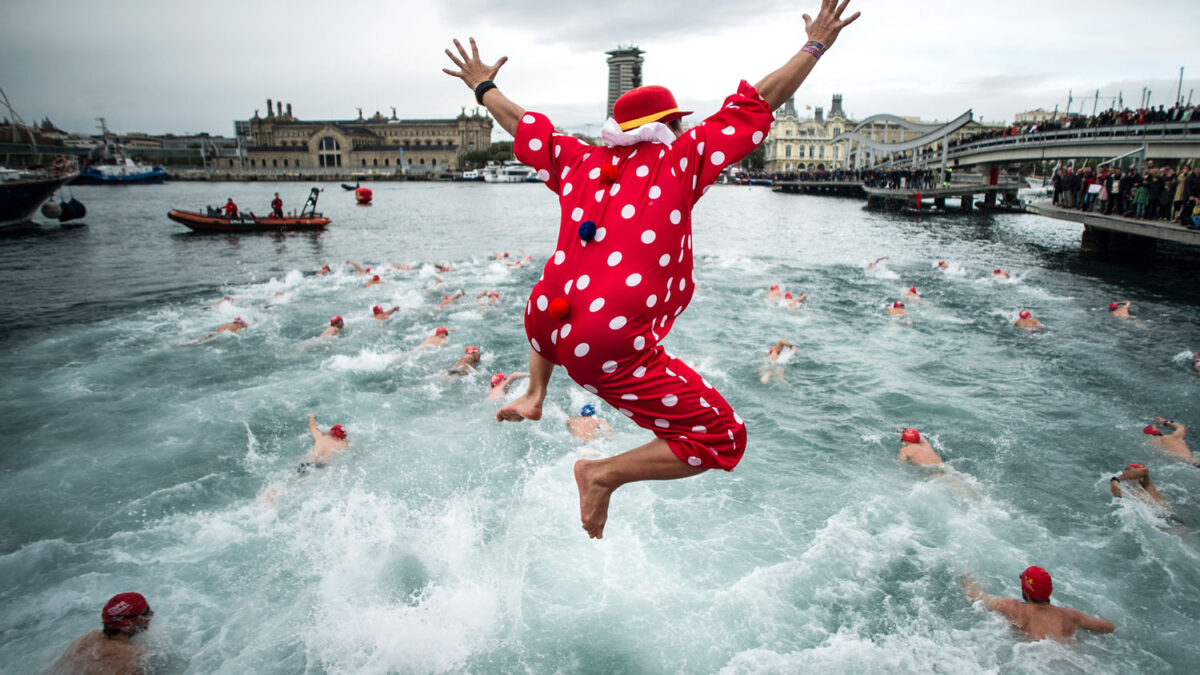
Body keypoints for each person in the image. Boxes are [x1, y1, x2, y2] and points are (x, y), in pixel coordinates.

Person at [446, 0, 860, 538]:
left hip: (544, 322)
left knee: (557, 292)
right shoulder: (679, 160)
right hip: (605, 342)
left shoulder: (577, 159)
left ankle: (534, 393)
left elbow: (522, 125)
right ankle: (600, 474)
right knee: (722, 438)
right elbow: (761, 100)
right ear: (667, 126)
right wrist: (815, 45)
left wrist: (481, 87)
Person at [962, 567, 1115, 640]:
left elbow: (977, 596)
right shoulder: (1071, 616)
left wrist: (965, 576)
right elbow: (1108, 627)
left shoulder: (1014, 609)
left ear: (1027, 591)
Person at [51, 592, 154, 674]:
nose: (151, 614)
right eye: (145, 613)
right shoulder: (135, 656)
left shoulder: (86, 639)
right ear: (126, 625)